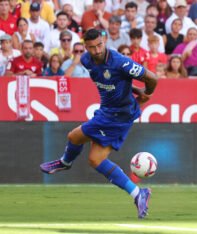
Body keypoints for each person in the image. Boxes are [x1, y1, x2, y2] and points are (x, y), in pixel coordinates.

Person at [39, 29, 158, 219]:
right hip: (107, 111)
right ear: (85, 47)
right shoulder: (86, 60)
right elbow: (111, 81)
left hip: (119, 115)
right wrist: (132, 89)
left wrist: (145, 92)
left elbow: (152, 77)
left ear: (104, 41)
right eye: (92, 47)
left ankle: (65, 162)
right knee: (89, 154)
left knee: (78, 142)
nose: (96, 50)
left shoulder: (120, 61)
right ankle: (138, 193)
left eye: (99, 45)